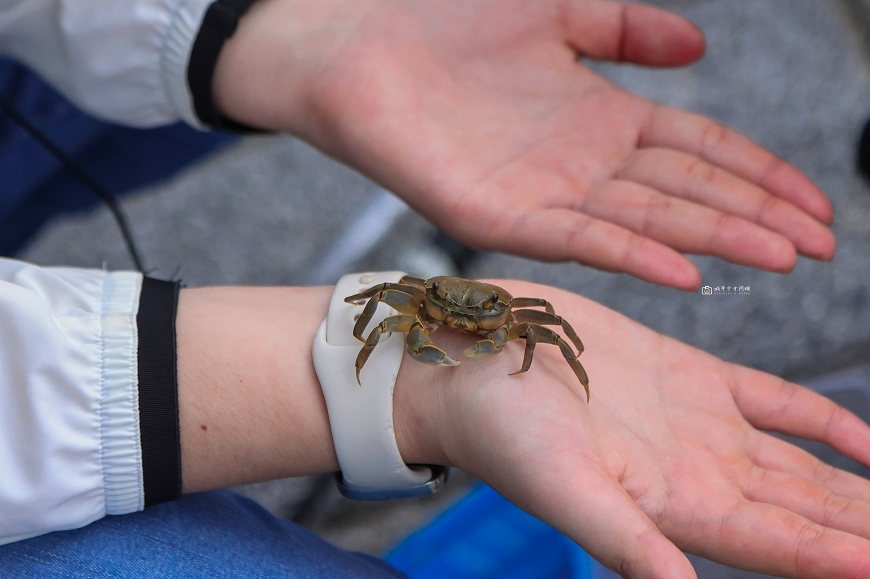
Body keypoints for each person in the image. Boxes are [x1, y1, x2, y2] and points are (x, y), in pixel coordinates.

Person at [0, 1, 860, 578]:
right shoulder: (418, 312)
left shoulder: (511, 317)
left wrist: (255, 30)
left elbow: (539, 327)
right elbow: (383, 321)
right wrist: (391, 382)